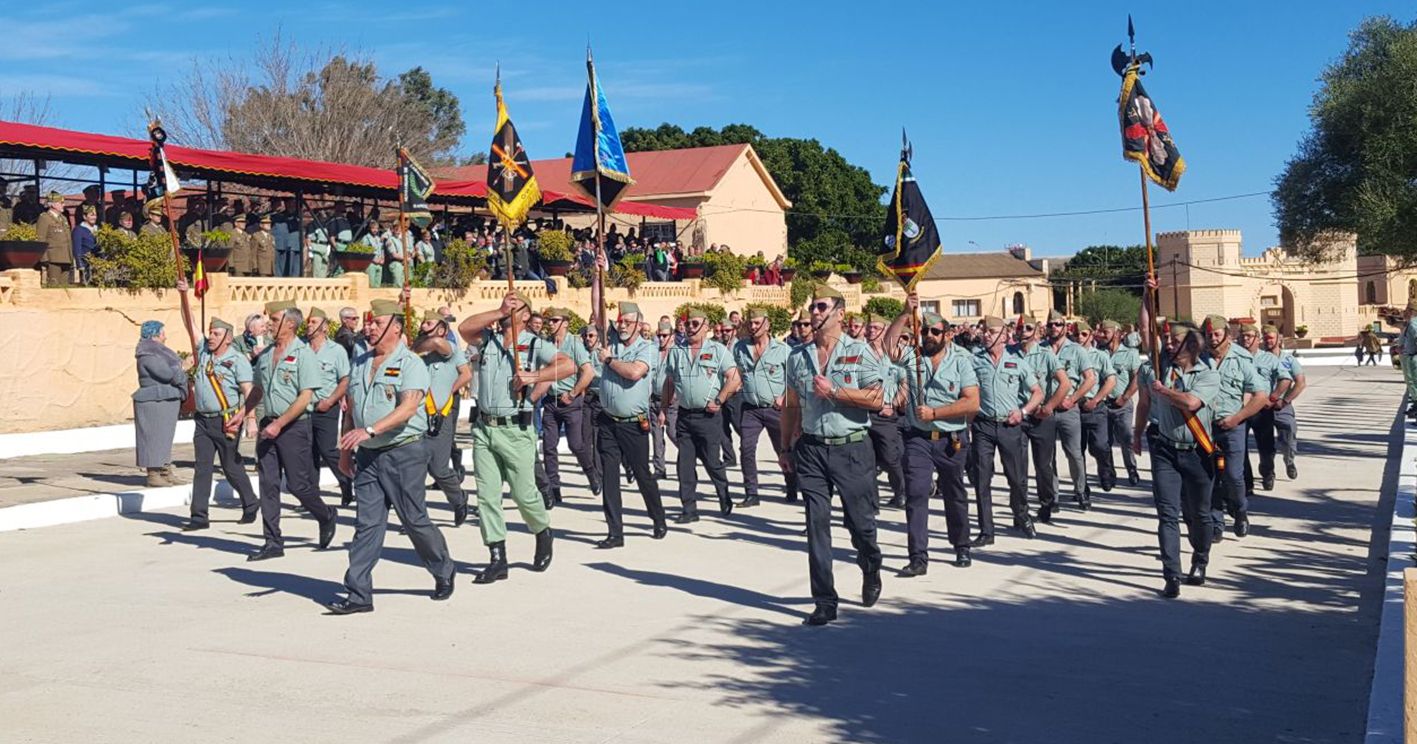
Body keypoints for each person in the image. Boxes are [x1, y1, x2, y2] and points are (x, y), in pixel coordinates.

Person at [326, 299, 456, 614]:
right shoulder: (359, 363)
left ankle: (443, 568)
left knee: (414, 519)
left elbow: (408, 408)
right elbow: (352, 409)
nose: (368, 327)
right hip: (368, 456)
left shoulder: (411, 363)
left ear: (394, 327)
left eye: (375, 322)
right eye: (367, 322)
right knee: (367, 524)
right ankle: (358, 594)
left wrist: (370, 430)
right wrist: (346, 450)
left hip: (405, 451)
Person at [784, 285, 885, 625]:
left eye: (821, 306)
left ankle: (870, 564)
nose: (813, 312)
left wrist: (837, 392)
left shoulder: (860, 352)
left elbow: (877, 399)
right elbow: (792, 405)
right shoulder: (797, 356)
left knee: (860, 525)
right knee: (816, 526)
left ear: (840, 314)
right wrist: (786, 447)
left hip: (852, 448)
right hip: (811, 449)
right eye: (812, 306)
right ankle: (825, 600)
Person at [457, 291, 571, 583]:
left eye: (515, 306)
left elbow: (567, 365)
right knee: (487, 496)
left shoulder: (534, 344)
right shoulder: (488, 340)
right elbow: (464, 328)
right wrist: (498, 311)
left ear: (524, 315)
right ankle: (497, 557)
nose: (509, 309)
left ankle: (542, 531)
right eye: (507, 305)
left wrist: (534, 377)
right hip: (484, 428)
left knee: (524, 494)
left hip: (515, 430)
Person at [887, 295, 980, 573]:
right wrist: (905, 313)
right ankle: (918, 557)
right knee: (916, 494)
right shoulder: (913, 356)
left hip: (952, 438)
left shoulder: (961, 360)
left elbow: (972, 402)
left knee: (954, 493)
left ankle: (961, 545)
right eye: (925, 330)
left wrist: (937, 414)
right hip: (918, 438)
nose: (928, 335)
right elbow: (889, 346)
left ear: (947, 335)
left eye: (935, 331)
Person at [242, 300, 339, 562]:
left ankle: (326, 514)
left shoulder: (304, 354)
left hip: (294, 427)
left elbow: (305, 396)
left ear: (291, 324)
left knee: (298, 485)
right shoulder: (265, 355)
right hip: (268, 426)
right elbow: (259, 390)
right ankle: (273, 541)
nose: (268, 324)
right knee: (268, 484)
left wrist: (280, 423)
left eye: (274, 320)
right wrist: (243, 413)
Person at [1133, 321, 1220, 598]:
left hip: (1198, 451)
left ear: (1192, 344)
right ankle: (1171, 574)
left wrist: (1164, 392)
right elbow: (1146, 327)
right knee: (1167, 514)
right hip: (1165, 451)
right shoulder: (1160, 368)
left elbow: (1191, 403)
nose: (1168, 344)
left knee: (1200, 514)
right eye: (1167, 340)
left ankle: (1200, 559)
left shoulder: (1208, 374)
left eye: (1175, 340)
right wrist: (1149, 294)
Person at [174, 279, 258, 530]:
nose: (210, 337)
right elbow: (190, 325)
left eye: (216, 334)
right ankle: (199, 517)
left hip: (227, 420)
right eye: (210, 333)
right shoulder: (204, 352)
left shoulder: (237, 360)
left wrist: (249, 418)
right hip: (203, 420)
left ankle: (251, 503)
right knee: (202, 468)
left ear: (228, 338)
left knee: (231, 467)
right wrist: (184, 296)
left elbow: (249, 391)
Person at [593, 301, 669, 547]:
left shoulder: (647, 348)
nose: (622, 325)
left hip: (633, 424)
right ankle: (615, 532)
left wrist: (609, 361)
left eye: (628, 321)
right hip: (607, 421)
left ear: (639, 324)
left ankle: (658, 518)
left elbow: (634, 373)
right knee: (610, 477)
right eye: (620, 321)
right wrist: (597, 272)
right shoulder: (611, 341)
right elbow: (597, 308)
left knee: (643, 474)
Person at [660, 307, 741, 522]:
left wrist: (719, 399)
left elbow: (734, 378)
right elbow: (669, 383)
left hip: (709, 417)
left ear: (705, 327)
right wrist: (663, 409)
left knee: (712, 461)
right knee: (684, 465)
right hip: (685, 416)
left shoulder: (718, 350)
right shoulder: (677, 352)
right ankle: (689, 509)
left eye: (695, 324)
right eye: (687, 324)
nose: (690, 328)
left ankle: (723, 493)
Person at [969, 315, 1043, 546]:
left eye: (991, 332)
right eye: (984, 331)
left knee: (1017, 478)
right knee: (982, 480)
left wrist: (1023, 411)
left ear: (1004, 336)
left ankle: (1021, 515)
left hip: (1010, 426)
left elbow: (1037, 392)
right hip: (983, 425)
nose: (986, 335)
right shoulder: (974, 360)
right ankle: (986, 530)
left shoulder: (1017, 360)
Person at [1199, 314, 1267, 541]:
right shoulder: (1198, 359)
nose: (1212, 339)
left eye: (1216, 334)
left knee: (1233, 476)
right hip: (1204, 427)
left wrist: (1238, 418)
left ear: (1228, 336)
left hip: (1232, 425)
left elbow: (1259, 396)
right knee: (1208, 477)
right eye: (1208, 335)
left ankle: (1240, 511)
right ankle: (1216, 523)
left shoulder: (1242, 359)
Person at [412, 309, 472, 525]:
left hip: (442, 414)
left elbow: (465, 373)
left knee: (438, 467)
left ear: (442, 329)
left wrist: (450, 390)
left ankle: (459, 499)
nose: (424, 325)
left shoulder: (449, 349)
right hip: (418, 416)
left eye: (430, 323)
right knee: (415, 468)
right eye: (424, 322)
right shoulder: (420, 352)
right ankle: (416, 517)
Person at [733, 307, 794, 508]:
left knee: (782, 449)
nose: (753, 327)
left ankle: (791, 484)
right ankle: (751, 493)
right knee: (746, 449)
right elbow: (736, 373)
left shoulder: (783, 350)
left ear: (767, 324)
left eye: (757, 323)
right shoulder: (739, 348)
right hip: (751, 408)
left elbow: (793, 380)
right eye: (750, 323)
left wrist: (784, 397)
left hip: (776, 409)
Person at [540, 307, 602, 506]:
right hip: (551, 401)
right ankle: (553, 488)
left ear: (565, 323)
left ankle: (591, 474)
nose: (550, 324)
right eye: (549, 320)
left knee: (576, 444)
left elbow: (588, 372)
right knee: (549, 446)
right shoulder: (546, 344)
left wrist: (574, 392)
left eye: (554, 320)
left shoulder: (574, 344)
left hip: (571, 402)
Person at [1018, 315, 1070, 523]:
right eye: (1020, 327)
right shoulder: (1010, 354)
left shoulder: (1046, 354)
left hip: (1041, 415)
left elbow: (1064, 384)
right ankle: (1020, 510)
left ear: (1037, 331)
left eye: (1028, 328)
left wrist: (1049, 406)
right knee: (1018, 466)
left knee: (1043, 465)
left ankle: (1047, 504)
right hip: (1019, 415)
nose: (1023, 331)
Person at [305, 307, 355, 508]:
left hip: (327, 406)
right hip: (304, 408)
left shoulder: (336, 351)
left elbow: (345, 379)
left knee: (326, 449)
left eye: (314, 322)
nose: (309, 325)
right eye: (308, 322)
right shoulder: (301, 348)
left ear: (325, 327)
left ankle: (346, 482)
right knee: (308, 453)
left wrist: (333, 399)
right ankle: (312, 496)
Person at [1048, 311, 1098, 509]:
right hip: (1047, 410)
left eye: (1058, 324)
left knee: (1074, 453)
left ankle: (1080, 490)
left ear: (1065, 327)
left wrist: (1073, 398)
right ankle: (1053, 495)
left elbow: (1090, 378)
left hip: (1068, 410)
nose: (1054, 328)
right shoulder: (1042, 350)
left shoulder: (1077, 350)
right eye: (1051, 324)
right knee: (1047, 455)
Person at [133, 320, 187, 487]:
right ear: (155, 335)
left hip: (165, 399)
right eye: (163, 333)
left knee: (164, 437)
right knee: (152, 437)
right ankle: (153, 473)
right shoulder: (148, 354)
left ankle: (165, 469)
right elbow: (165, 374)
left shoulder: (160, 353)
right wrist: (181, 369)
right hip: (153, 400)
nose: (165, 337)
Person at [863, 312, 906, 508]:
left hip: (885, 415)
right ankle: (872, 503)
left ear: (886, 331)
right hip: (863, 413)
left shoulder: (894, 355)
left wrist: (894, 404)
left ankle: (900, 491)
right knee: (867, 462)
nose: (871, 331)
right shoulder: (859, 353)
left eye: (876, 328)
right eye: (869, 327)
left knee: (890, 459)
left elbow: (905, 383)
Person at [1073, 319, 1117, 494]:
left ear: (1090, 335)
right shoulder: (1069, 354)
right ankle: (1082, 488)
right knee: (1077, 451)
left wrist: (1097, 399)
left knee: (1099, 446)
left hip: (1095, 406)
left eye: (1083, 334)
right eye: (1076, 334)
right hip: (1075, 407)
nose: (1079, 337)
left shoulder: (1101, 356)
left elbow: (1111, 380)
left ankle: (1106, 471)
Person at [1097, 320, 1143, 486]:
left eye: (1106, 332)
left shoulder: (1130, 353)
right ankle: (1109, 473)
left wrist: (1125, 397)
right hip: (1103, 404)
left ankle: (1131, 469)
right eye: (1100, 332)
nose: (1101, 335)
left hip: (1122, 405)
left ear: (1116, 333)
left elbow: (1138, 377)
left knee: (1126, 439)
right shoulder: (1098, 352)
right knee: (1105, 442)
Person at [1264, 325, 1305, 481]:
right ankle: (1268, 472)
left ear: (1278, 339)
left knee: (1289, 433)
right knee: (1265, 443)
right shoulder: (1259, 358)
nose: (1268, 341)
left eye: (1271, 338)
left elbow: (1300, 383)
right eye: (1265, 338)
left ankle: (1289, 461)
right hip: (1263, 406)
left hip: (1282, 407)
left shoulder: (1288, 359)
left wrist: (1285, 400)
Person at [648, 319, 676, 480]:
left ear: (672, 336)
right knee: (656, 435)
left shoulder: (677, 352)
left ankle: (689, 457)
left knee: (674, 433)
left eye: (665, 335)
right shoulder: (654, 352)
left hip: (672, 400)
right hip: (654, 399)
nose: (661, 338)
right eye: (659, 335)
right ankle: (659, 468)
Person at [718, 316, 744, 467]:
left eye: (727, 330)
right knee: (722, 427)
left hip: (736, 392)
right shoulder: (719, 347)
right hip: (721, 392)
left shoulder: (739, 347)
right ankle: (729, 457)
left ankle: (746, 450)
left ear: (734, 331)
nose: (724, 333)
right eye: (722, 331)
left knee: (739, 425)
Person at [36, 191, 72, 285]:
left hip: (66, 257)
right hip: (53, 259)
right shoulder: (44, 218)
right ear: (53, 204)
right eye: (61, 203)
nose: (64, 205)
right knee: (54, 285)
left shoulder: (63, 218)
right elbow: (41, 238)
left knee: (65, 286)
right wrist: (44, 259)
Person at [71, 204, 99, 284]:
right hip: (86, 263)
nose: (94, 217)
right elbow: (77, 248)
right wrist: (80, 264)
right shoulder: (78, 230)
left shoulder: (99, 229)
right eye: (91, 215)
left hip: (98, 263)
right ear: (84, 216)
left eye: (95, 215)